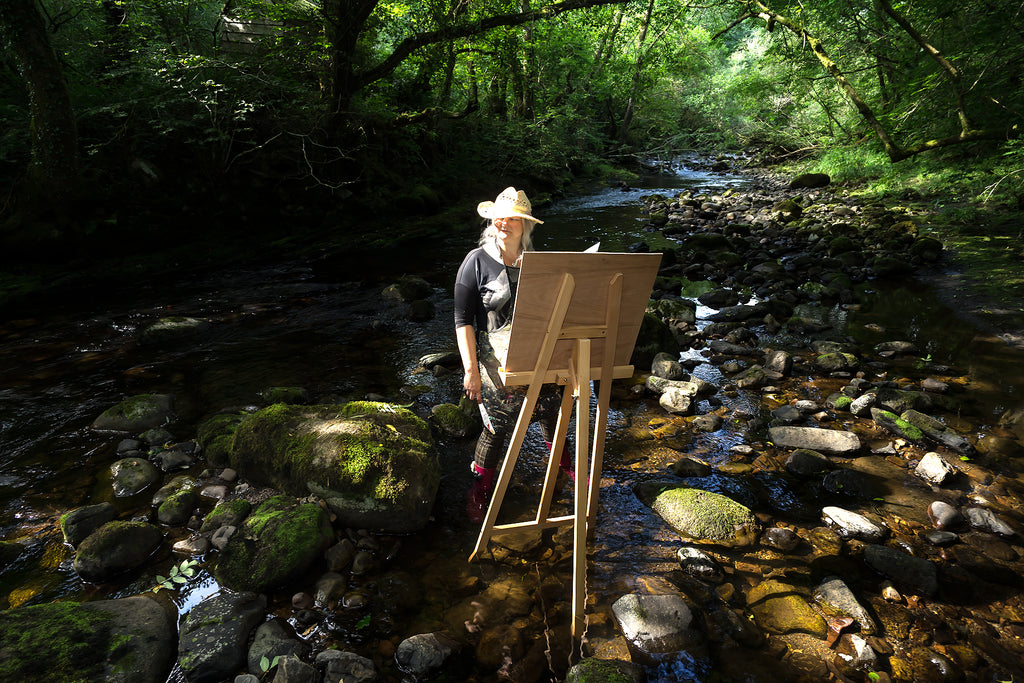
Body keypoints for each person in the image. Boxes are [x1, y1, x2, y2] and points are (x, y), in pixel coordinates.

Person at [453, 187, 572, 523]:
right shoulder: (475, 261)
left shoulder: (538, 263)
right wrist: (471, 371)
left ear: (525, 226)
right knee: (497, 427)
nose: (504, 223)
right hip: (494, 360)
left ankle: (566, 475)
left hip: (538, 353)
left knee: (554, 413)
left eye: (513, 219)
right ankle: (480, 489)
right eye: (499, 218)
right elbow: (462, 321)